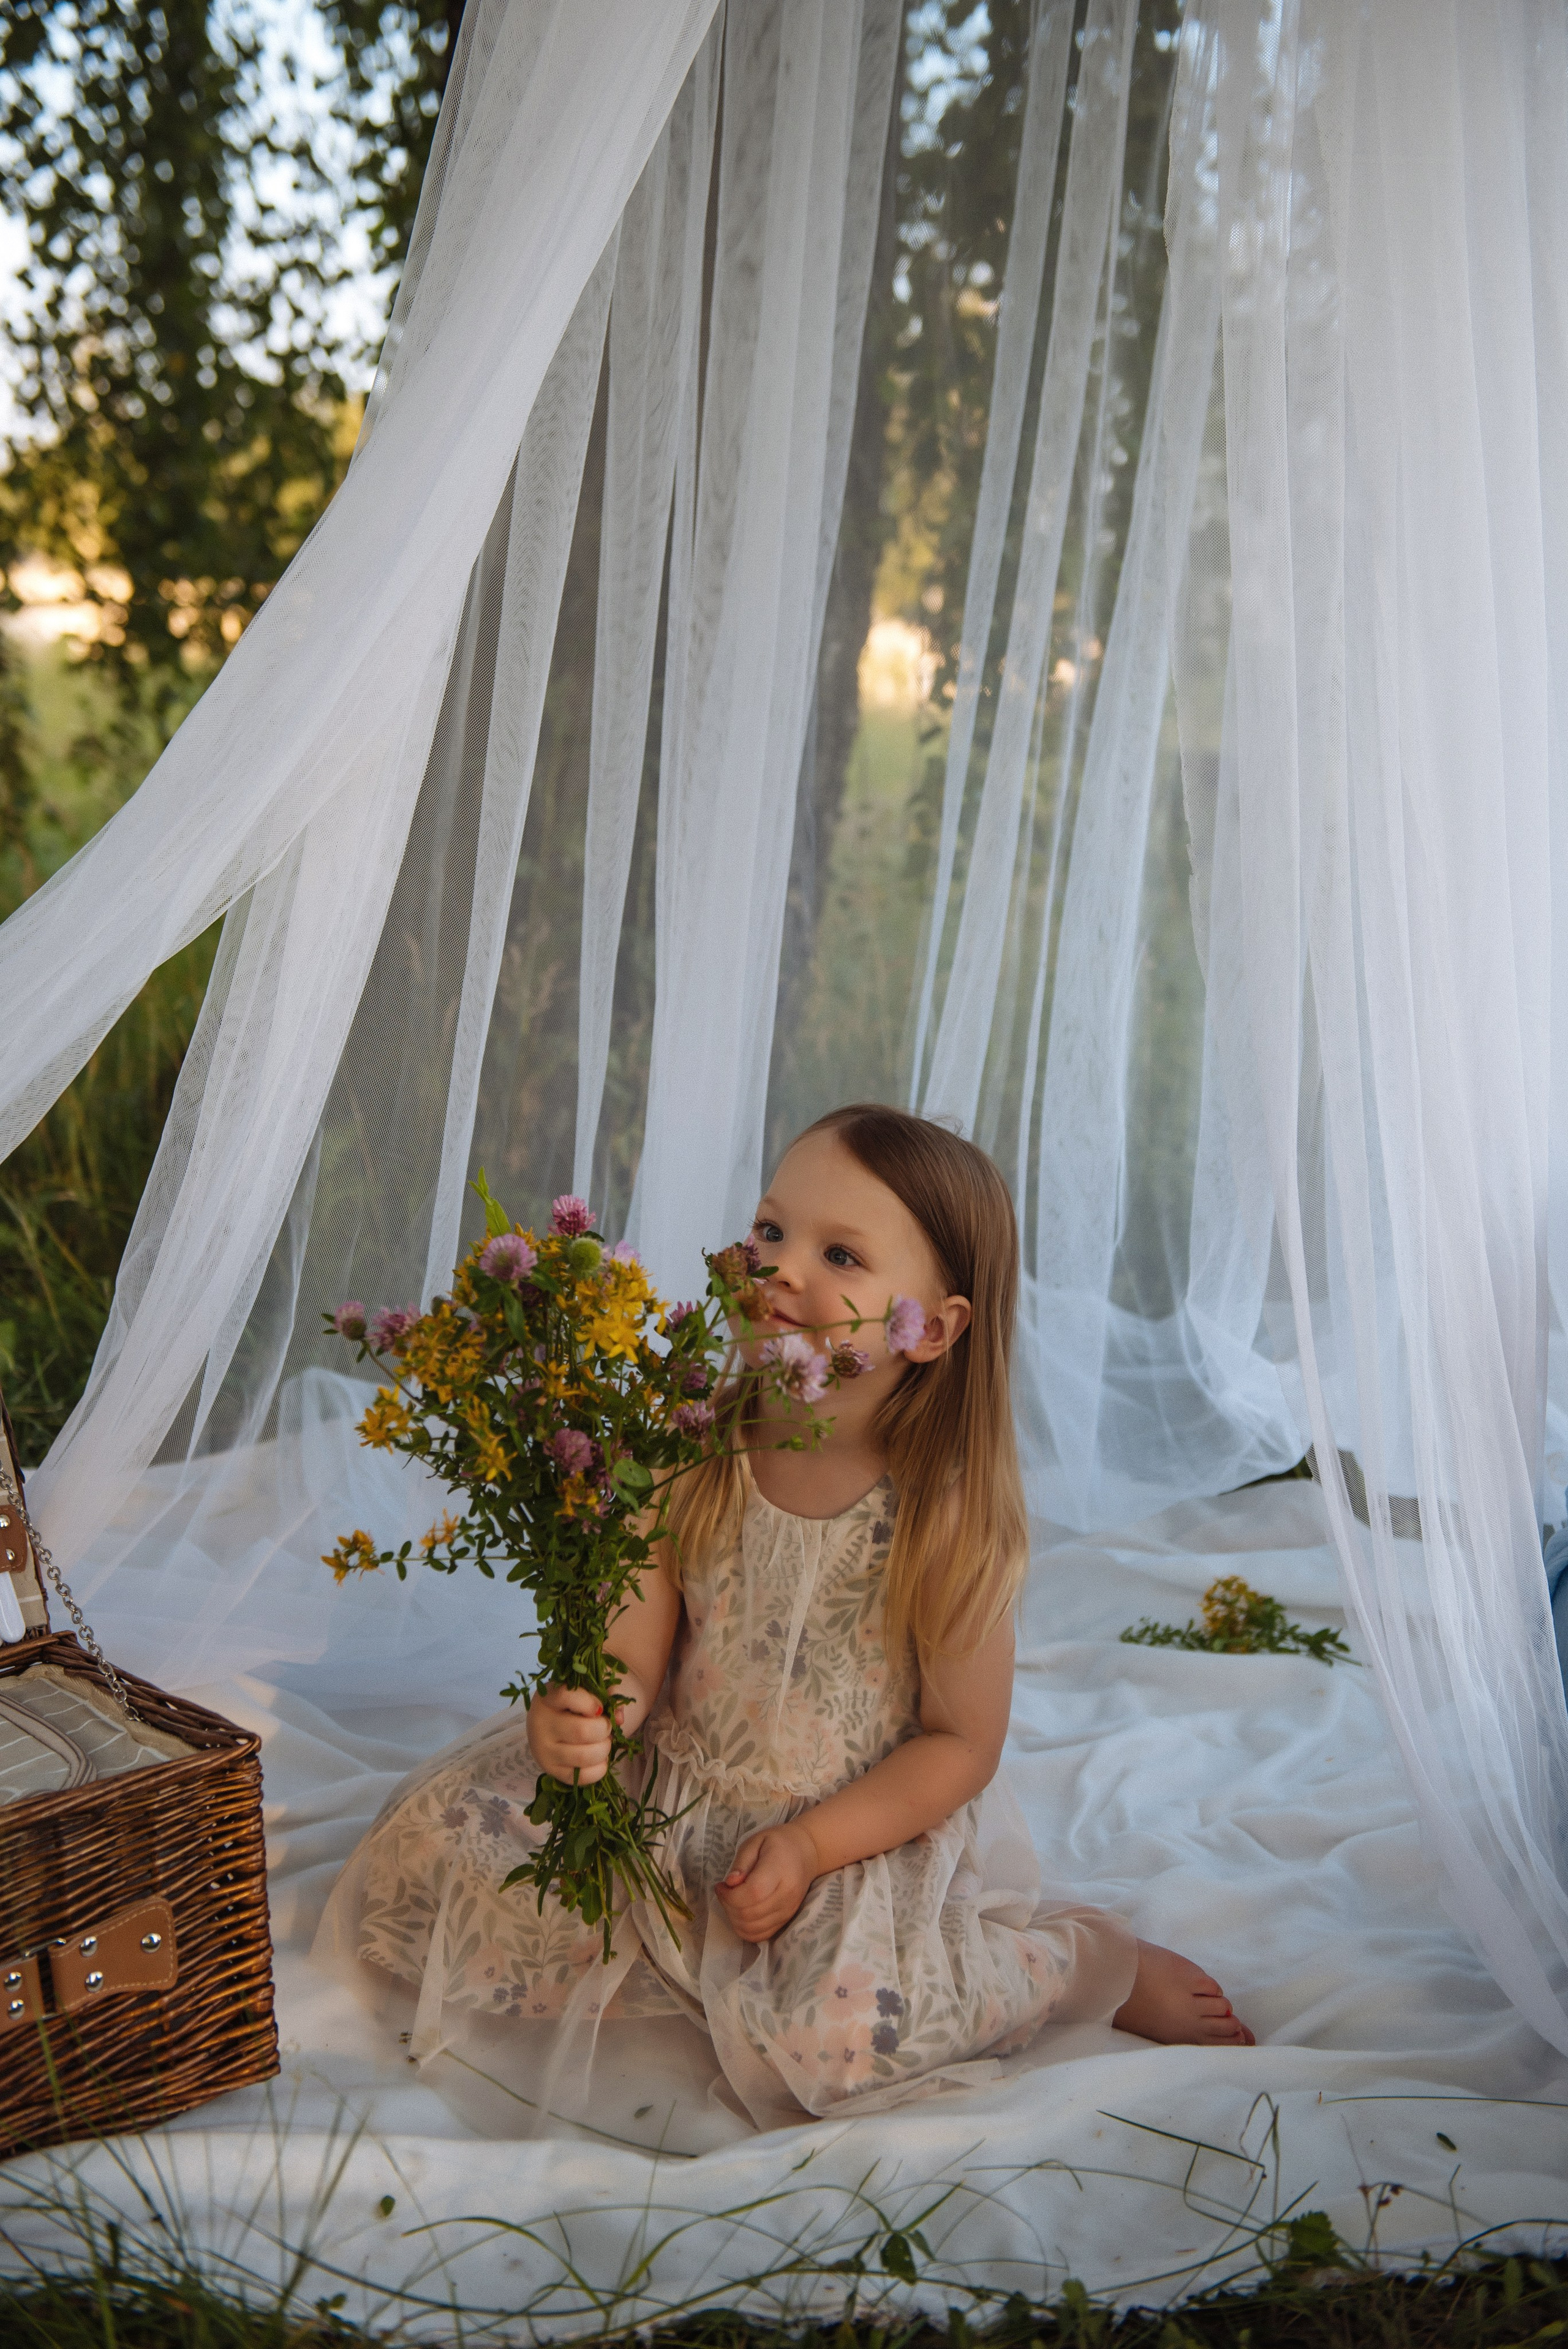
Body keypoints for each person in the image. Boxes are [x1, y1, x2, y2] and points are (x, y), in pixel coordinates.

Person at [319, 1104, 1252, 2128]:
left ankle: (1071, 1968)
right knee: (431, 1860)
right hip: (673, 1791)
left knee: (839, 2042)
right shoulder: (689, 1450)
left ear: (934, 1329)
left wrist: (809, 1848)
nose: (779, 1269)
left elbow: (961, 1744)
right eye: (770, 1230)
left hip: (850, 1827)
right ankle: (660, 1963)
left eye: (840, 1254)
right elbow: (632, 1657)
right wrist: (589, 1723)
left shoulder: (940, 1511)